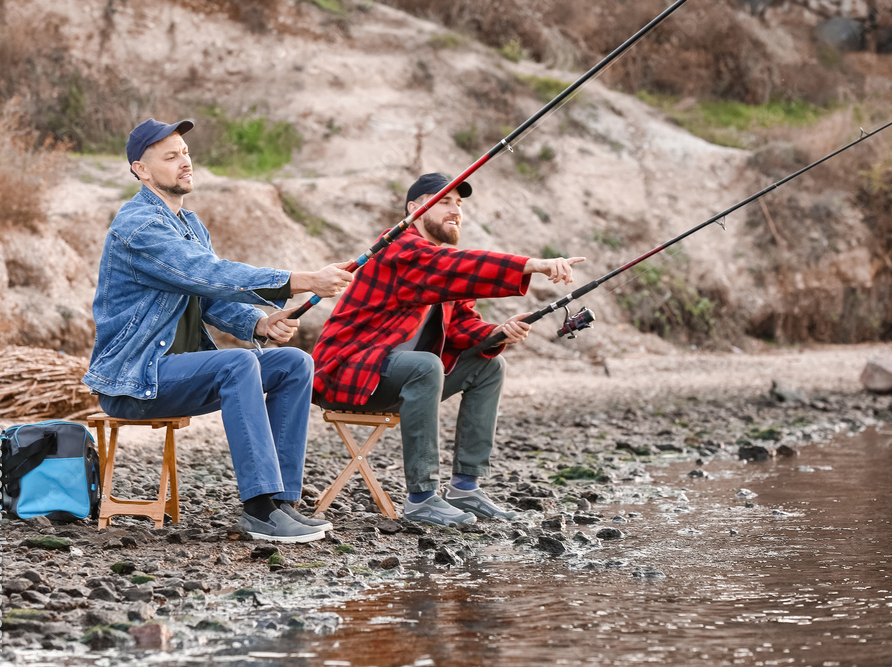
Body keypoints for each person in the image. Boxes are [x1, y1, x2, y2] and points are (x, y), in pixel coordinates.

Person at [83, 118, 354, 543]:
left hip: (180, 374)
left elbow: (209, 298)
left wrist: (260, 322)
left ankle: (283, 501)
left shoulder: (189, 224)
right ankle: (259, 509)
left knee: (295, 363)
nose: (184, 162)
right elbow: (207, 273)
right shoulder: (138, 226)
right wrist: (301, 280)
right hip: (135, 380)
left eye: (185, 153)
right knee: (238, 363)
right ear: (141, 170)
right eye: (170, 157)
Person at [311, 173, 584, 527]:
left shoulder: (441, 266)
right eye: (444, 201)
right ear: (414, 209)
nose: (455, 210)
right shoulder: (397, 249)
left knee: (490, 367)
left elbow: (462, 328)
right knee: (426, 365)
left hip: (396, 381)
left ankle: (465, 487)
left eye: (459, 203)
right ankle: (422, 498)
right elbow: (453, 266)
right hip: (345, 375)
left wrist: (499, 332)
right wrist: (532, 264)